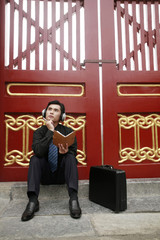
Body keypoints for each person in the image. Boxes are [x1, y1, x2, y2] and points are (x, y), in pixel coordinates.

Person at [21, 100, 81, 221]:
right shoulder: (39, 132)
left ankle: (73, 199)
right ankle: (33, 201)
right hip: (45, 175)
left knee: (70, 157)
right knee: (34, 159)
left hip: (62, 175)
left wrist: (65, 153)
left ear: (62, 116)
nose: (52, 112)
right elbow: (38, 151)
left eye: (56, 110)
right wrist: (50, 131)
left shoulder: (68, 131)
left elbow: (73, 152)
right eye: (49, 109)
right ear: (44, 113)